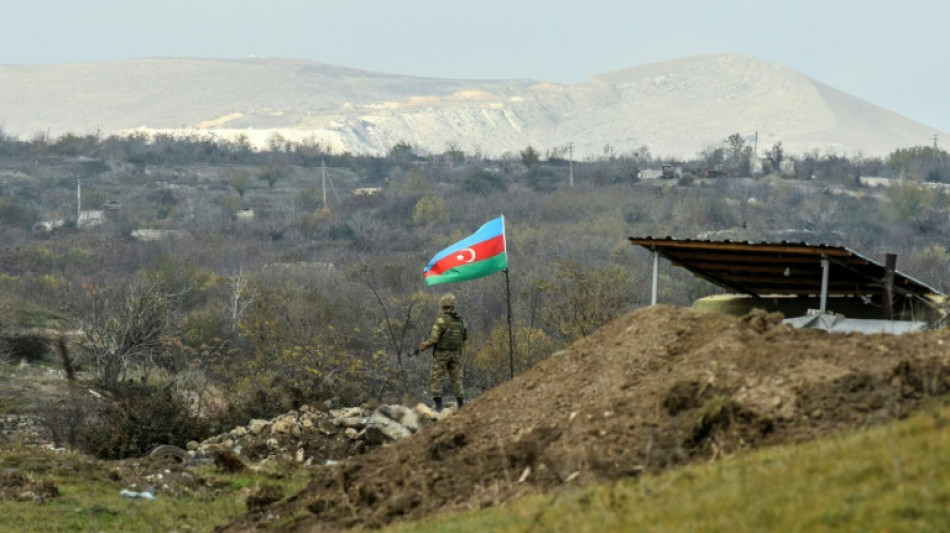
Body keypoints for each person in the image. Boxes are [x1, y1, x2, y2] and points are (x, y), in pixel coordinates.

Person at [419, 293, 467, 411]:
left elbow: (434, 339)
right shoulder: (461, 320)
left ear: (442, 306)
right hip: (455, 353)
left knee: (436, 377)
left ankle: (439, 406)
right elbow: (465, 336)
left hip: (441, 354)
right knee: (457, 378)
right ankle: (461, 405)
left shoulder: (441, 320)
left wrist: (425, 344)